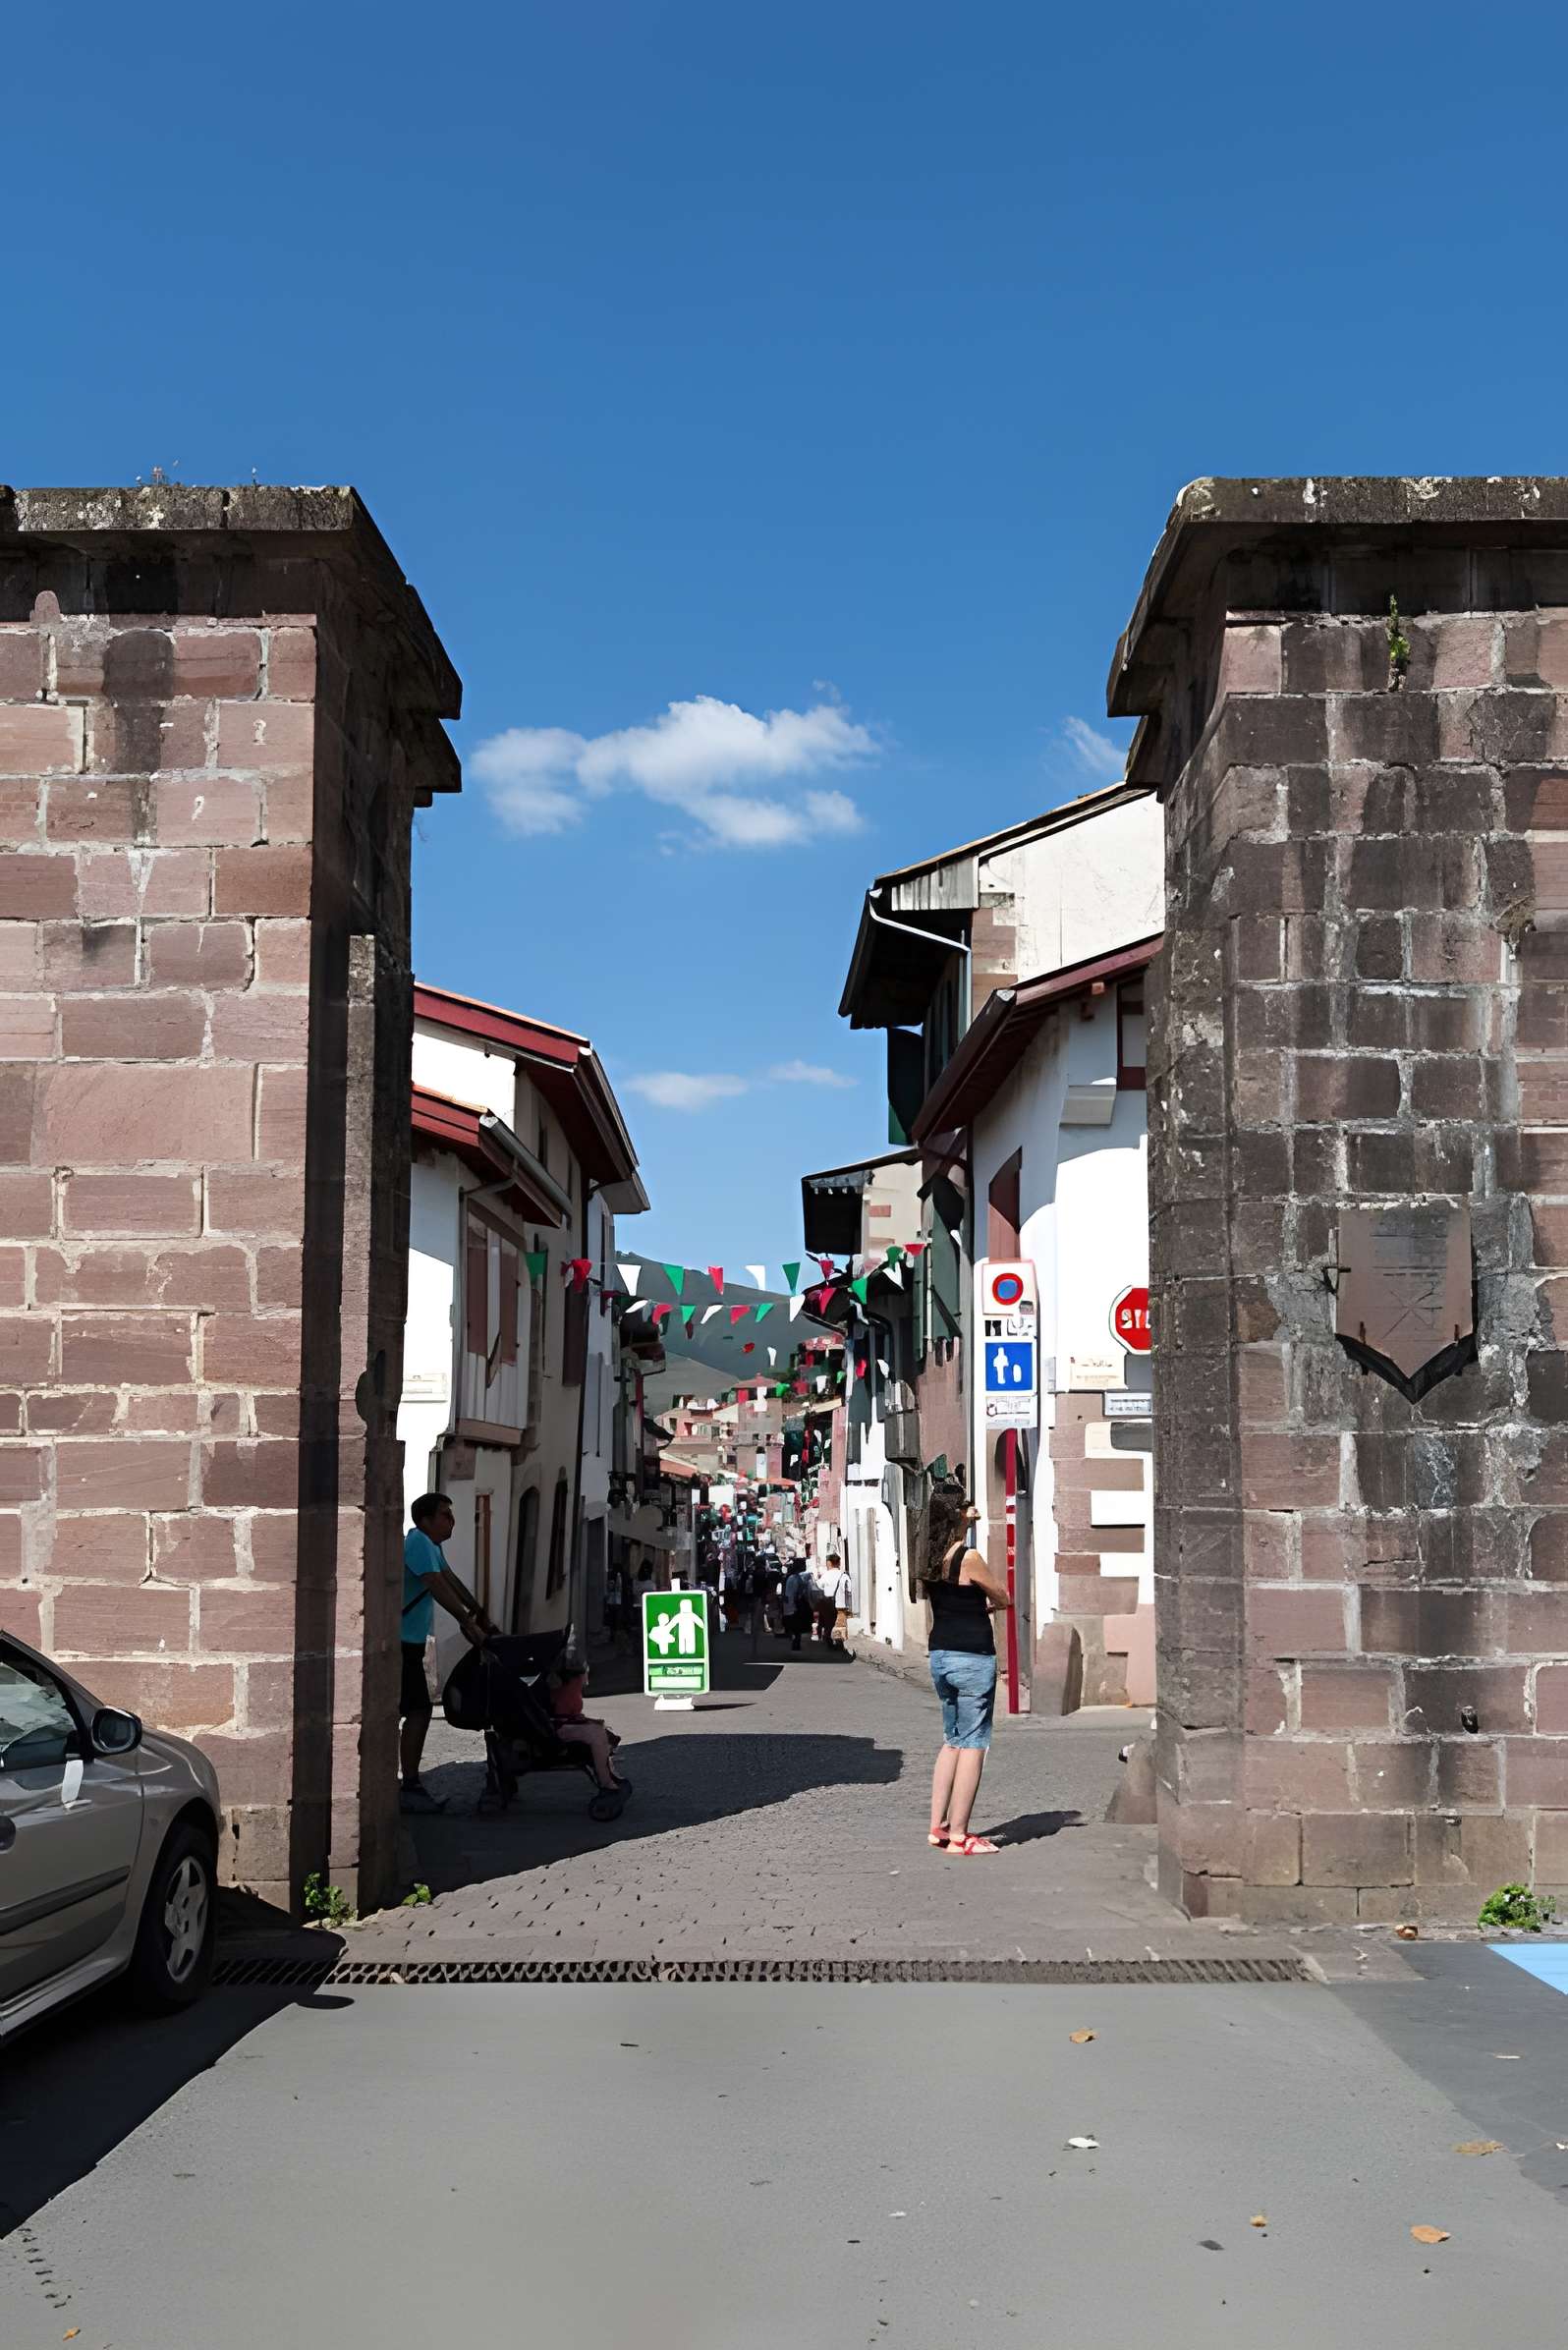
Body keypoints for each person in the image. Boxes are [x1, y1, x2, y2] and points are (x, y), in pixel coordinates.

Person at [921, 1489, 1012, 1855]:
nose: (973, 1510)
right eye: (967, 1506)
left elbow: (948, 1600)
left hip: (940, 1653)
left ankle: (937, 1826)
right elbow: (1001, 1594)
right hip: (972, 1655)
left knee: (952, 1739)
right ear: (957, 1515)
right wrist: (993, 1606)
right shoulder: (967, 1556)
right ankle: (960, 1835)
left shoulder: (927, 1557)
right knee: (974, 1743)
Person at [401, 1492, 494, 1814]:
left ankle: (405, 1782)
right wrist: (468, 1623)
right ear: (425, 1520)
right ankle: (409, 1785)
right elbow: (436, 1585)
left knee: (413, 1710)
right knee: (417, 1711)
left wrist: (478, 1610)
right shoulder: (418, 1543)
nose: (451, 1521)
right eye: (445, 1515)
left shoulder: (431, 1546)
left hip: (408, 1643)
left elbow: (450, 1580)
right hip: (402, 1644)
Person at [548, 1655, 632, 1803]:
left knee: (600, 1731)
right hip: (559, 1727)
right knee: (598, 1735)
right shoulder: (571, 1688)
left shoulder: (569, 1686)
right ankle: (606, 1781)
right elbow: (565, 1713)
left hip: (559, 1724)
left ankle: (609, 1774)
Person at [817, 1551, 852, 1651]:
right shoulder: (844, 1575)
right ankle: (839, 1643)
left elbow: (819, 1586)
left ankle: (829, 1641)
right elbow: (849, 1590)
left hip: (828, 1604)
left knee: (829, 1623)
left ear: (829, 1563)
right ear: (839, 1563)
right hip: (841, 1605)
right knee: (840, 1624)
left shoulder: (826, 1575)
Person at [782, 1559, 812, 1651]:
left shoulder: (793, 1577)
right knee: (797, 1626)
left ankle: (796, 1643)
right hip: (794, 1606)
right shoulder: (794, 1578)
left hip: (791, 1606)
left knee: (796, 1627)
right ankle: (795, 1643)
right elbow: (795, 1593)